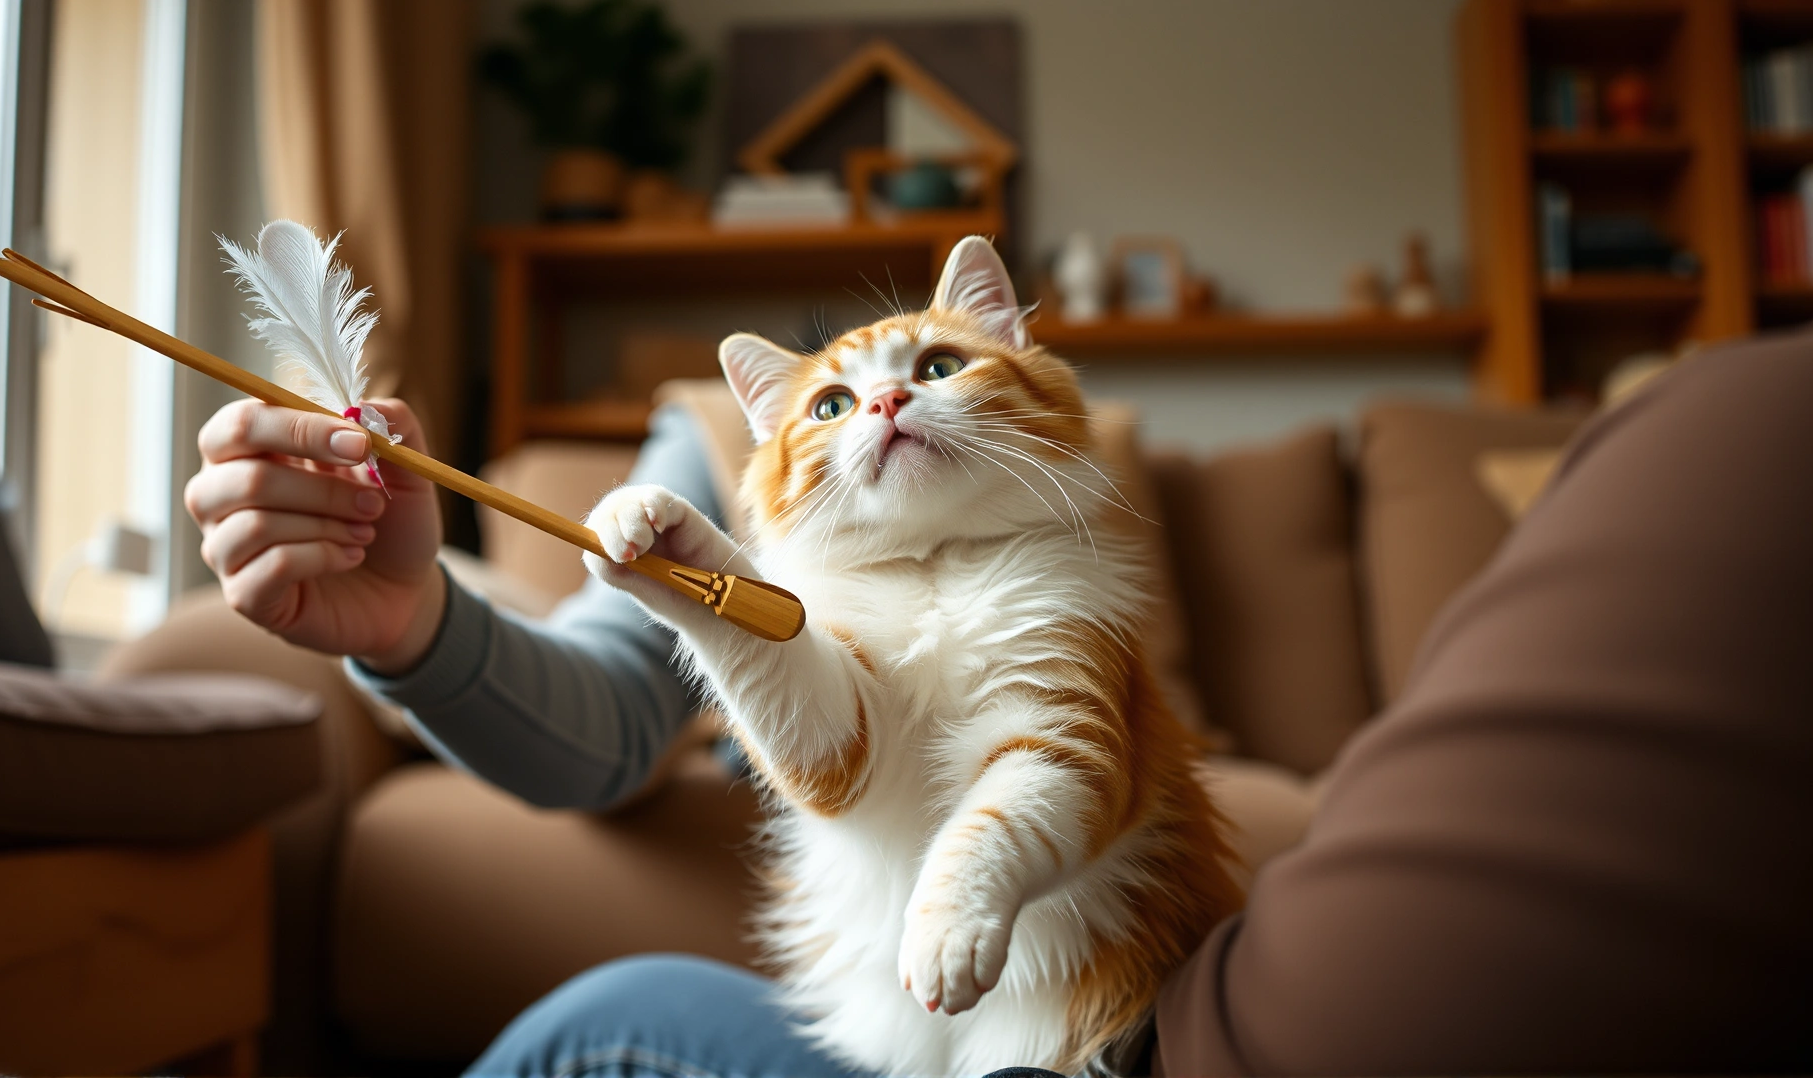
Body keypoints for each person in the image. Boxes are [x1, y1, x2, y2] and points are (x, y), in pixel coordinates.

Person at [188, 340, 1813, 1077]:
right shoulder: (734, 470)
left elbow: (1041, 746)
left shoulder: (1049, 539)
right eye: (832, 390)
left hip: (1086, 1011)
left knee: (600, 1032)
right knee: (600, 1014)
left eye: (938, 361)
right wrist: (428, 624)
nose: (885, 391)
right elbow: (707, 727)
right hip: (932, 1001)